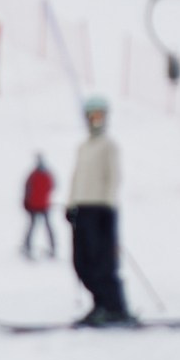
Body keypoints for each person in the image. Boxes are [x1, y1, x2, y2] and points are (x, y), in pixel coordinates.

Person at [66, 95, 129, 324]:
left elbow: (114, 177)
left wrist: (108, 206)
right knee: (82, 262)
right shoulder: (83, 147)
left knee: (102, 261)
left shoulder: (108, 145)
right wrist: (71, 204)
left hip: (101, 209)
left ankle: (114, 306)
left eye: (100, 116)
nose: (96, 120)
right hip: (82, 209)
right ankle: (99, 304)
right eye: (92, 116)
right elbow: (76, 178)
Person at [21, 155, 57, 259]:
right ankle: (53, 247)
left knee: (32, 227)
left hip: (33, 205)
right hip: (45, 205)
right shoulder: (48, 175)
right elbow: (53, 186)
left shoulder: (33, 175)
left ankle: (27, 246)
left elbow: (27, 189)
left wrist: (26, 202)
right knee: (48, 227)